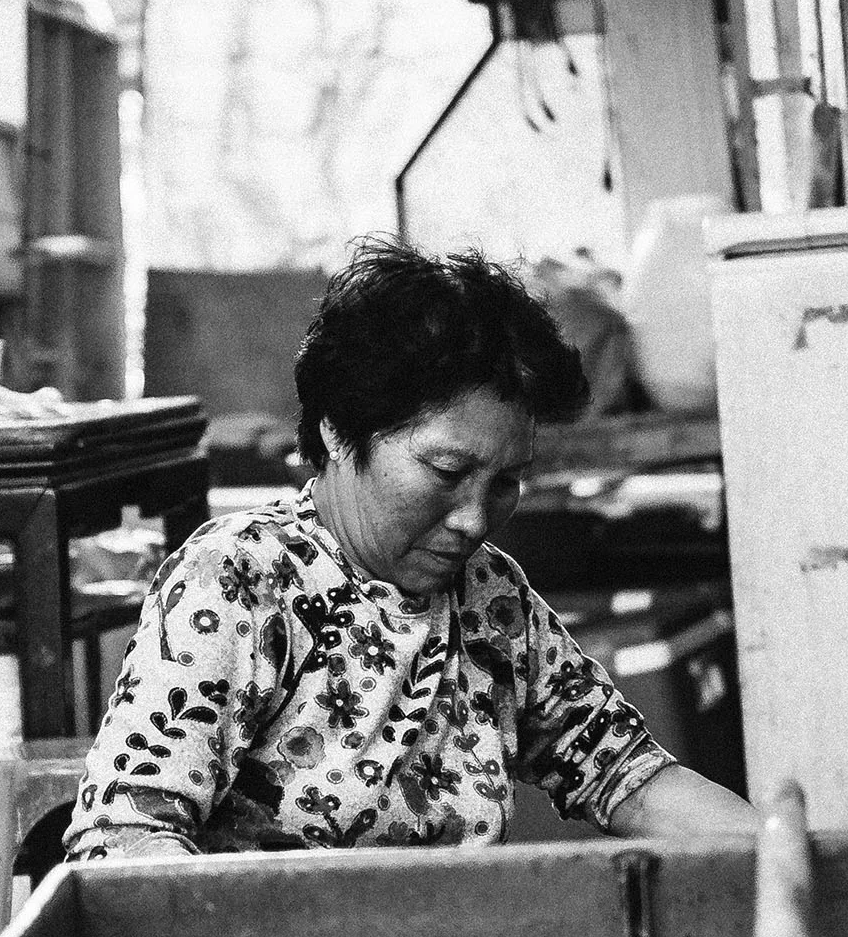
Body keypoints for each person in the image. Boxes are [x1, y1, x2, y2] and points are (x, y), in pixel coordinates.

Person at [64, 240, 759, 859]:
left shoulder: (493, 600)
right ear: (339, 431)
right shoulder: (240, 580)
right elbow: (124, 838)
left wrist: (793, 858)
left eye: (506, 482)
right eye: (448, 473)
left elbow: (626, 776)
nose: (474, 518)